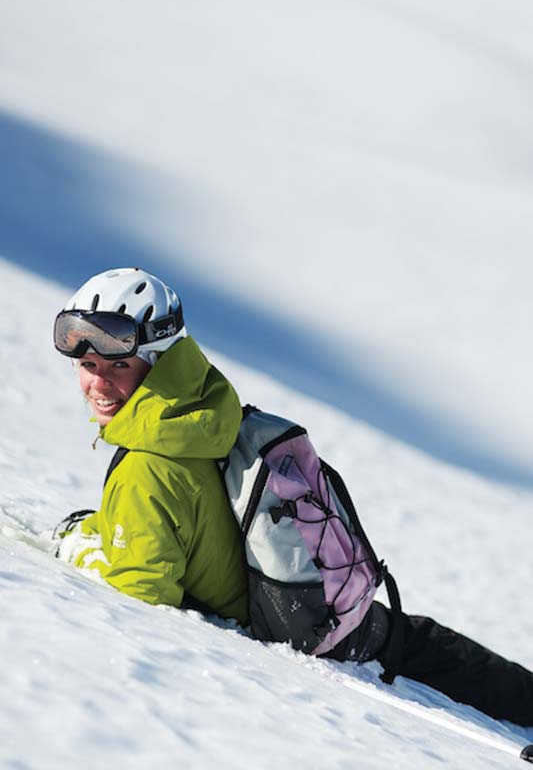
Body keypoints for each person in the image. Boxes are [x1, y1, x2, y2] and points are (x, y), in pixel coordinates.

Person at [53, 267, 533, 728]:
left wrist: (79, 545)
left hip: (300, 628)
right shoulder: (203, 413)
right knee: (437, 651)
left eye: (119, 365)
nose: (98, 384)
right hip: (326, 601)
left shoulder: (147, 465)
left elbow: (140, 595)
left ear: (157, 363)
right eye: (88, 365)